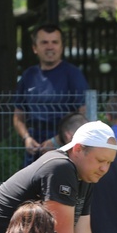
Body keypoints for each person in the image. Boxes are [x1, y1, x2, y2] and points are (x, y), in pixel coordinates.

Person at [13, 24, 89, 165]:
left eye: (54, 42)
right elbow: (18, 115)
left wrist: (56, 141)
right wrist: (26, 138)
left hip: (65, 149)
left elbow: (84, 117)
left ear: (61, 47)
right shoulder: (28, 76)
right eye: (44, 42)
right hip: (34, 149)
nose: (50, 47)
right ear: (35, 48)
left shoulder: (73, 75)